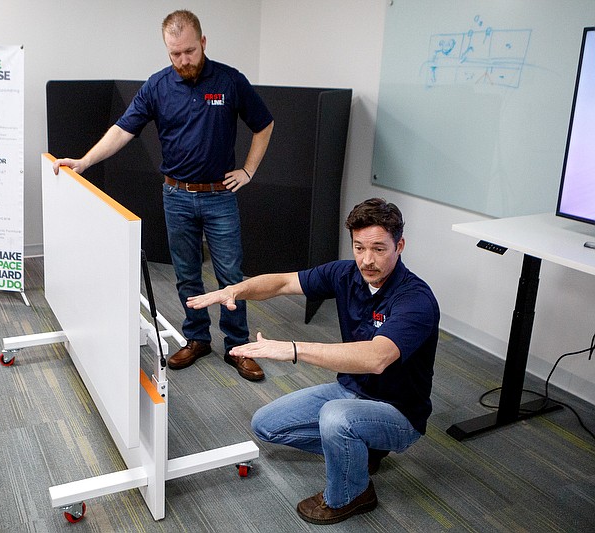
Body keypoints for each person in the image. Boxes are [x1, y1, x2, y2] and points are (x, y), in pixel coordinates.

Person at [187, 198, 440, 525]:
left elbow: (377, 358)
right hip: (350, 390)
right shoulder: (345, 273)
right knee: (266, 424)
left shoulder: (415, 299)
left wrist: (293, 349)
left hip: (398, 411)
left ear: (400, 245)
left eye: (379, 249)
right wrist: (236, 290)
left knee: (336, 418)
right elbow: (282, 282)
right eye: (359, 247)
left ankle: (352, 494)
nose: (367, 260)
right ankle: (363, 451)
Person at [53, 10, 274, 382]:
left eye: (189, 51)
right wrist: (85, 162)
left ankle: (237, 346)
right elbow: (123, 130)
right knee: (187, 274)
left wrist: (248, 170)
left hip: (219, 197)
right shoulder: (157, 86)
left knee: (230, 276)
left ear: (203, 43)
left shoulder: (230, 81)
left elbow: (264, 124)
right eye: (175, 54)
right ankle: (197, 338)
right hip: (176, 195)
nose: (183, 61)